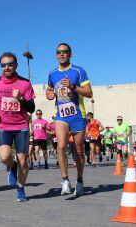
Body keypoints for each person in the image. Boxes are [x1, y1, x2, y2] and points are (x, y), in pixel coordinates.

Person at [0, 52, 36, 202]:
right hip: (3, 125)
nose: (6, 67)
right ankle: (12, 166)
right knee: (5, 156)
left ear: (16, 65)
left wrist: (21, 97)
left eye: (9, 64)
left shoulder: (25, 83)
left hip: (21, 126)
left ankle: (20, 188)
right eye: (3, 65)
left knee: (23, 160)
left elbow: (32, 108)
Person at [46, 43, 92, 196]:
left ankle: (79, 180)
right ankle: (65, 181)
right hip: (60, 115)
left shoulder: (79, 70)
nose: (62, 54)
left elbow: (89, 93)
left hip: (77, 115)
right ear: (56, 55)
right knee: (61, 146)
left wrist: (73, 87)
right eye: (59, 52)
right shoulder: (52, 73)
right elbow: (49, 90)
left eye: (65, 52)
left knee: (78, 150)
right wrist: (49, 95)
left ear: (70, 54)